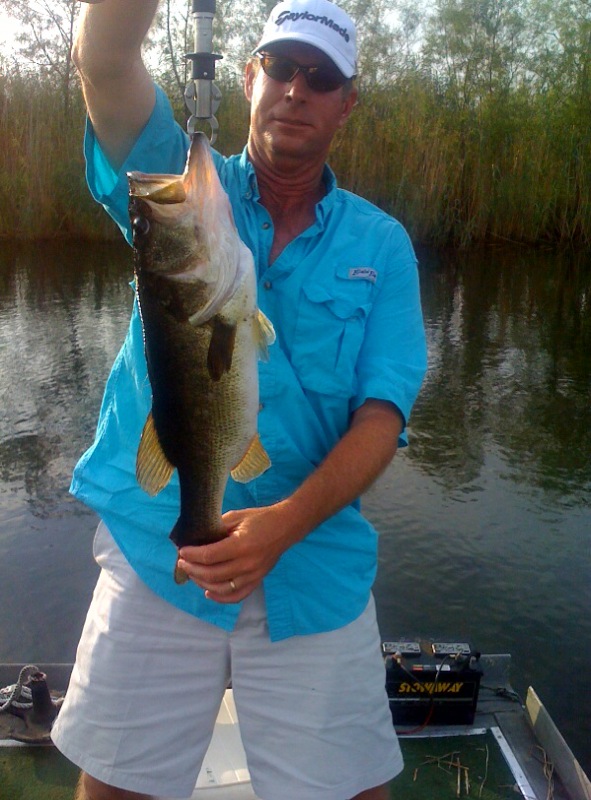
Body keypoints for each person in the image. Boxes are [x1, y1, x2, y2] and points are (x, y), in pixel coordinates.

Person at [51, 0, 428, 798]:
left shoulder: (381, 245)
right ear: (251, 77)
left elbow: (382, 415)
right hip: (160, 546)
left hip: (312, 557)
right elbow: (105, 59)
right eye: (281, 68)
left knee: (354, 790)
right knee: (115, 784)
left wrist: (283, 526)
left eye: (320, 78)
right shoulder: (178, 188)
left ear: (345, 103)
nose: (296, 89)